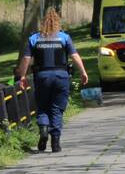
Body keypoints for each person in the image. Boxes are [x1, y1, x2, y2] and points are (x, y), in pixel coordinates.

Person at [17, 10, 89, 152]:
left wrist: (22, 76)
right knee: (57, 108)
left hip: (42, 76)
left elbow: (26, 59)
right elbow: (74, 55)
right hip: (61, 76)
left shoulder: (34, 38)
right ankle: (55, 142)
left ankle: (43, 129)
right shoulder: (64, 37)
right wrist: (83, 72)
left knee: (43, 106)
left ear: (43, 23)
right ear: (58, 23)